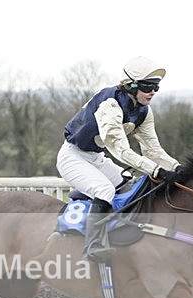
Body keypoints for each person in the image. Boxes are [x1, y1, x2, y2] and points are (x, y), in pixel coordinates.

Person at [57, 57, 182, 262]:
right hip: (72, 156)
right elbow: (121, 150)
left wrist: (178, 168)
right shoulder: (110, 105)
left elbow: (153, 150)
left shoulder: (143, 111)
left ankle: (122, 236)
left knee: (129, 187)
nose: (152, 92)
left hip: (96, 157)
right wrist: (155, 170)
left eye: (156, 87)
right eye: (147, 87)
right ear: (130, 85)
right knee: (104, 190)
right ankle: (92, 246)